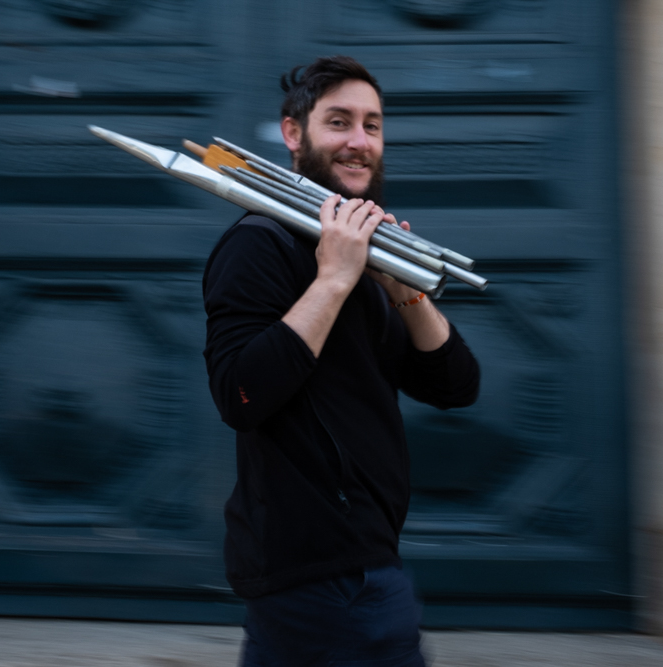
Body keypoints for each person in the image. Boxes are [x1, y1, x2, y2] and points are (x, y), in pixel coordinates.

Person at [202, 56, 480, 666]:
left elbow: (456, 386)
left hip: (366, 564)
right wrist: (332, 281)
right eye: (339, 122)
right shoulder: (259, 244)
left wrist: (402, 289)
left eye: (373, 125)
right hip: (318, 574)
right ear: (294, 134)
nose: (360, 141)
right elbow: (240, 395)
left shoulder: (368, 259)